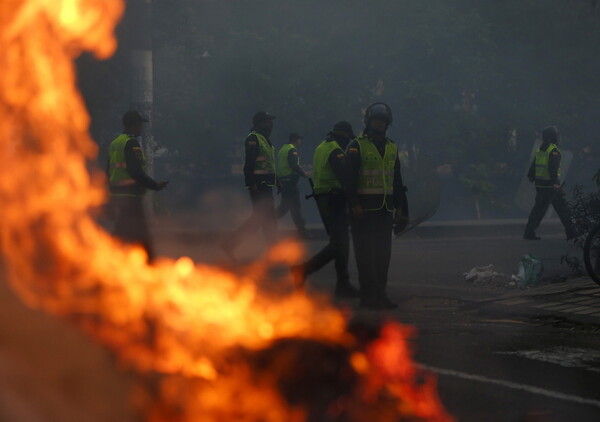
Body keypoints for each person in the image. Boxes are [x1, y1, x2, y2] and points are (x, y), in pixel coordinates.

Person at [346, 103, 409, 310]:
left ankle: (381, 296)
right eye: (375, 120)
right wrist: (354, 204)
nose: (378, 124)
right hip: (363, 211)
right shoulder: (357, 146)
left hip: (384, 210)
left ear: (387, 124)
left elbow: (397, 181)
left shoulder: (392, 147)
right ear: (368, 122)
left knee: (383, 256)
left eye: (382, 121)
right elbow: (349, 180)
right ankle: (367, 298)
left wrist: (400, 208)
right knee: (365, 256)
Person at [291, 121, 359, 298]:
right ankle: (303, 269)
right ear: (343, 135)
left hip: (324, 200)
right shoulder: (336, 151)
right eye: (347, 139)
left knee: (340, 242)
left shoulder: (322, 146)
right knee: (339, 244)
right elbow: (345, 177)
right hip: (334, 200)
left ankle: (342, 284)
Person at [107, 110, 168, 262]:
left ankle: (107, 260)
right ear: (134, 125)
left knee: (121, 232)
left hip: (118, 195)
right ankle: (150, 264)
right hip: (130, 197)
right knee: (141, 232)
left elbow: (108, 171)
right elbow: (135, 172)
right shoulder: (131, 143)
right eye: (140, 124)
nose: (141, 128)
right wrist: (154, 185)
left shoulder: (115, 143)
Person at [221, 111, 278, 261]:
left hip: (266, 185)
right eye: (267, 122)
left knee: (266, 220)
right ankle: (230, 244)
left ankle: (273, 253)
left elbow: (267, 165)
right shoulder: (253, 139)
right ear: (260, 123)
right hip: (258, 186)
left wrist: (277, 181)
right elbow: (249, 165)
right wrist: (251, 184)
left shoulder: (265, 139)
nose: (270, 124)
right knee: (262, 219)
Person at [523, 126, 578, 240]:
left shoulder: (542, 149)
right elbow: (553, 169)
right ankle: (571, 232)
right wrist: (556, 184)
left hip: (541, 185)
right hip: (551, 186)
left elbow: (534, 165)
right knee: (562, 209)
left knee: (539, 210)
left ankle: (529, 232)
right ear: (552, 137)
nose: (558, 137)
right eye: (556, 135)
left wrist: (531, 176)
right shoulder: (553, 151)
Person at [276, 133, 311, 238]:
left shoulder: (283, 149)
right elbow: (294, 165)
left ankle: (267, 221)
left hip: (284, 182)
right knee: (293, 208)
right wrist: (304, 174)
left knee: (288, 207)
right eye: (300, 139)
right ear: (296, 140)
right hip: (290, 183)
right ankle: (302, 232)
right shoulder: (292, 150)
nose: (300, 142)